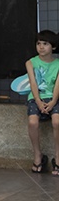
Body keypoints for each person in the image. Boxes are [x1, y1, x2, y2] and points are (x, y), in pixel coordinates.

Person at [25, 30, 59, 174]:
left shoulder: (58, 63)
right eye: (38, 43)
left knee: (57, 122)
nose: (41, 47)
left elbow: (58, 85)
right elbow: (33, 83)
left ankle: (58, 157)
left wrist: (52, 102)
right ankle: (38, 155)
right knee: (33, 122)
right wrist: (38, 101)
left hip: (54, 97)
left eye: (45, 44)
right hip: (35, 98)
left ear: (54, 47)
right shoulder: (30, 62)